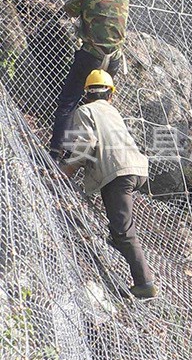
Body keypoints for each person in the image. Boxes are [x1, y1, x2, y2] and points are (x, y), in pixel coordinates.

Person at [60, 70, 158, 300]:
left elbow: (87, 143)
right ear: (110, 95)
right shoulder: (112, 111)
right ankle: (116, 239)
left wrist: (67, 170)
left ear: (86, 94)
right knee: (118, 227)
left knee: (124, 231)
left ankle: (145, 284)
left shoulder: (84, 111)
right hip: (134, 168)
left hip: (118, 174)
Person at [50, 0, 129, 160]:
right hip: (113, 61)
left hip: (90, 57)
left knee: (69, 103)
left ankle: (58, 152)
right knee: (98, 106)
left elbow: (67, 11)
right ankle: (92, 154)